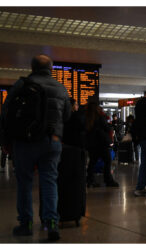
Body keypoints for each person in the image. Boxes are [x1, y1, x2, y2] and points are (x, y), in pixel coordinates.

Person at [1, 54, 71, 241]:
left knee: (24, 182)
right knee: (49, 181)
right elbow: (67, 116)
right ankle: (51, 224)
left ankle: (26, 224)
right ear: (51, 68)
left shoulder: (21, 85)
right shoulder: (60, 87)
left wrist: (6, 140)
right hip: (52, 141)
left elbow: (6, 112)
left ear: (32, 68)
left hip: (25, 141)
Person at [86, 102, 119, 188]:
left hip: (92, 145)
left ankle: (90, 180)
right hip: (102, 144)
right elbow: (105, 129)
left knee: (92, 162)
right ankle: (108, 180)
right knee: (107, 161)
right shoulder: (100, 118)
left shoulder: (88, 118)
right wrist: (109, 140)